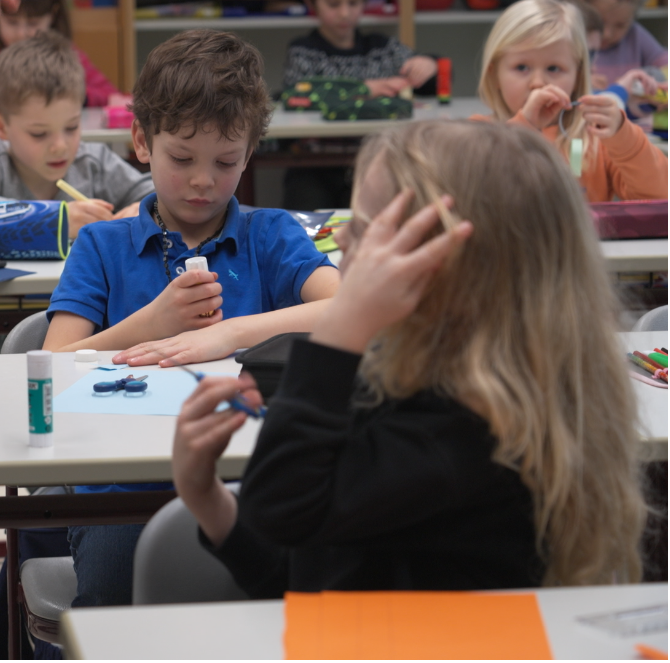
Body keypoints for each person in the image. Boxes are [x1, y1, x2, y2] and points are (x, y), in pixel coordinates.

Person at [173, 119, 647, 598]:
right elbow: (310, 572)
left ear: (443, 268)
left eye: (367, 230)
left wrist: (341, 327)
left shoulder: (468, 432)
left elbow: (281, 509)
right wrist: (208, 499)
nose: (342, 243)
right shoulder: (396, 383)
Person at [46, 26, 337, 612]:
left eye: (226, 161)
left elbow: (347, 308)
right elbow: (51, 364)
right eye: (182, 157)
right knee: (112, 606)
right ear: (142, 141)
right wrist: (152, 323)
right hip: (118, 488)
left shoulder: (271, 235)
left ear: (250, 153)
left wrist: (231, 334)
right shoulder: (102, 246)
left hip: (250, 481)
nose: (203, 180)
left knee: (274, 609)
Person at [0, 31, 153, 238]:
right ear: (0, 126)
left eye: (71, 127)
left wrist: (144, 208)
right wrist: (55, 220)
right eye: (39, 133)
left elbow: (158, 194)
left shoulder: (93, 161)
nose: (60, 146)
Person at [476, 0, 667, 202]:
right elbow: (478, 200)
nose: (538, 83)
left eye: (553, 68)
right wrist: (523, 130)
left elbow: (659, 199)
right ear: (494, 74)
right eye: (522, 68)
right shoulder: (476, 136)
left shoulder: (598, 140)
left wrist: (624, 136)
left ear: (579, 76)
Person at [279, 0, 440, 210]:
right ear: (314, 6)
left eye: (353, 4)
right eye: (333, 5)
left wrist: (430, 64)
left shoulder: (383, 48)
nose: (345, 13)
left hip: (375, 161)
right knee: (306, 223)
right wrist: (364, 89)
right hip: (313, 163)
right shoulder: (303, 50)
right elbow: (296, 95)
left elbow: (429, 83)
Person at [0, 0, 120, 107]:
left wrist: (74, 95)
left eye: (33, 23)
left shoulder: (63, 54)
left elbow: (111, 96)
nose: (21, 34)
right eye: (12, 22)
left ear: (52, 16)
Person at [586, 0, 667, 86]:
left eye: (620, 25)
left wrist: (645, 77)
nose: (607, 34)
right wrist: (582, 83)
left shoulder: (635, 35)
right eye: (600, 22)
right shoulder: (575, 39)